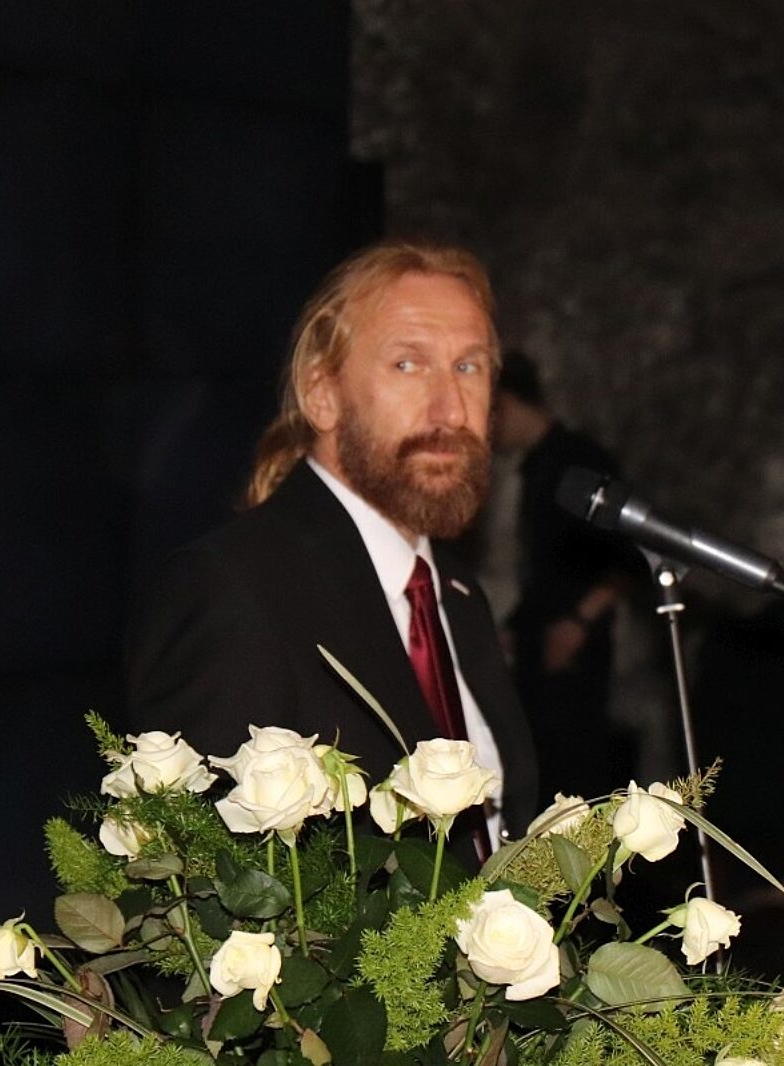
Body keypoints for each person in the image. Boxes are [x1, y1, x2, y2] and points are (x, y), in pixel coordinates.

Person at [126, 239, 538, 842]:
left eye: (468, 367)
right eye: (408, 365)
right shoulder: (235, 591)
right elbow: (200, 873)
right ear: (322, 394)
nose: (450, 409)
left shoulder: (454, 594)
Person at [489, 350, 638, 798]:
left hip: (575, 654)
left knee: (575, 784)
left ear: (505, 403)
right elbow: (547, 568)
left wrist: (577, 623)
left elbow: (628, 554)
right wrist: (518, 628)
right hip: (539, 648)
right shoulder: (537, 466)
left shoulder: (581, 461)